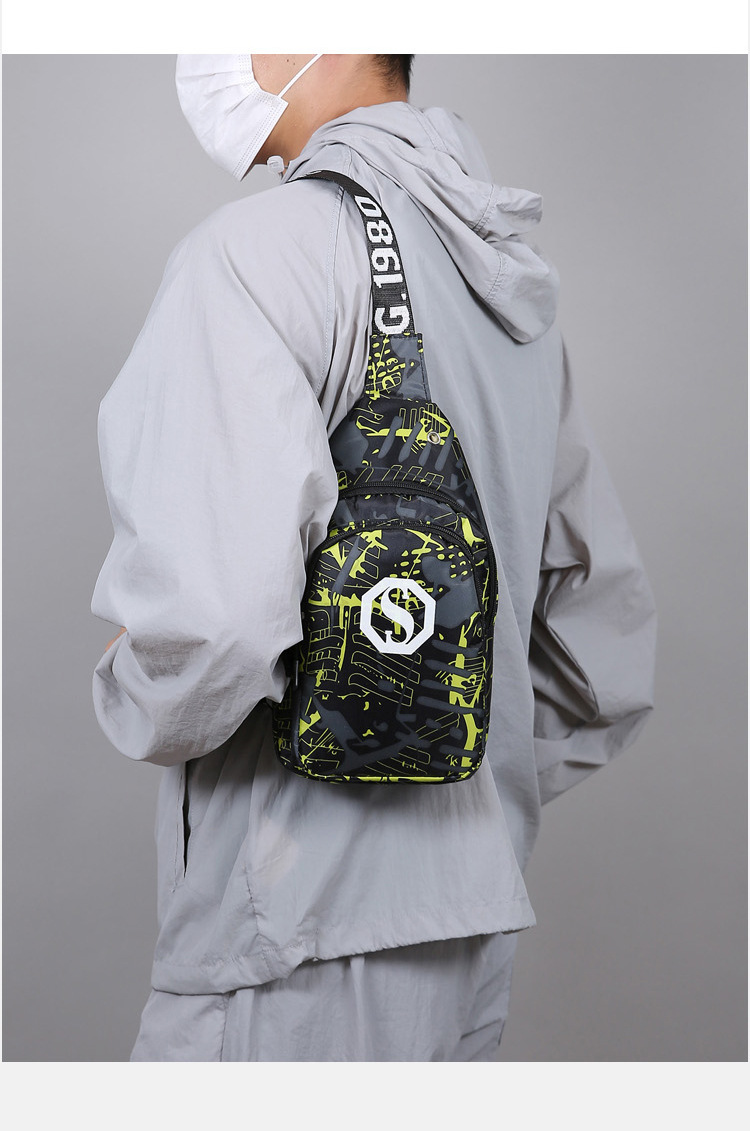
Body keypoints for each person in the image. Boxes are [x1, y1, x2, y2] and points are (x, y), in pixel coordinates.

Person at [91, 54, 657, 1062]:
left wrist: (135, 681)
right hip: (469, 926)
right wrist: (460, 795)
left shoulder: (257, 255)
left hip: (291, 934)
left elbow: (216, 627)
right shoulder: (507, 282)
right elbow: (596, 650)